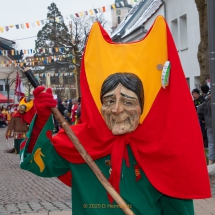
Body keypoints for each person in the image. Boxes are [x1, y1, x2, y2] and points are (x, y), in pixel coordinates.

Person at [19, 16, 210, 215]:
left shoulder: (163, 151)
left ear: (143, 106)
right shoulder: (78, 142)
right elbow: (36, 162)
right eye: (109, 101)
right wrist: (42, 118)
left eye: (128, 102)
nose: (117, 110)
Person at [198, 86, 215, 165]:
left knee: (211, 143)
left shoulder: (207, 101)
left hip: (209, 125)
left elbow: (199, 109)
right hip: (210, 124)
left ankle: (211, 162)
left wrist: (202, 119)